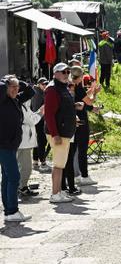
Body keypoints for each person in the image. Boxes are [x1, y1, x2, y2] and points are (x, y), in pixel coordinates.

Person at [44, 63, 82, 204]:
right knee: (58, 165)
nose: (66, 74)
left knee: (61, 164)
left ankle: (59, 191)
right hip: (59, 133)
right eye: (63, 72)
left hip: (65, 131)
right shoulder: (53, 89)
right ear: (55, 74)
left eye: (67, 71)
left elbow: (62, 107)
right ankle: (55, 194)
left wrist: (74, 106)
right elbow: (48, 114)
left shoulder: (62, 87)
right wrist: (55, 134)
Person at [0, 75, 35, 222]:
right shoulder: (2, 100)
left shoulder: (15, 100)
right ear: (6, 88)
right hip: (4, 145)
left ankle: (9, 211)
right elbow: (1, 88)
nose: (16, 90)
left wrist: (17, 81)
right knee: (14, 176)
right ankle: (12, 210)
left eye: (17, 88)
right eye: (12, 87)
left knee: (8, 177)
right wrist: (7, 80)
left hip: (11, 145)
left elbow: (30, 92)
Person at [71, 66, 101, 187]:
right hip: (81, 120)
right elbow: (88, 101)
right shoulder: (77, 86)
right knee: (82, 148)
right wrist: (94, 92)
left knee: (74, 149)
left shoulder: (72, 86)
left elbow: (83, 99)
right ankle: (84, 175)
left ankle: (76, 175)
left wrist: (91, 92)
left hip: (74, 119)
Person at [18, 90, 43, 197]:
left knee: (24, 166)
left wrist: (38, 112)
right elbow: (32, 120)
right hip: (23, 142)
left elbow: (31, 116)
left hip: (24, 141)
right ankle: (21, 187)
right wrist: (41, 112)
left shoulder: (24, 105)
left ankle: (22, 186)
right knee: (26, 167)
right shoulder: (21, 106)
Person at [31, 77, 50, 171]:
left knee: (38, 140)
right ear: (39, 84)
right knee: (42, 141)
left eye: (46, 84)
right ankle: (42, 162)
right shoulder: (38, 93)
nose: (45, 85)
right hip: (39, 120)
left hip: (39, 119)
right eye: (43, 84)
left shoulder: (39, 92)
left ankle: (35, 161)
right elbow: (36, 109)